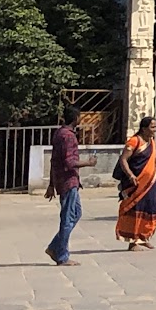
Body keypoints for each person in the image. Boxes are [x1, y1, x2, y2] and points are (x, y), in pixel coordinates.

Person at [44, 104, 94, 266]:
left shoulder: (59, 133)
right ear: (76, 118)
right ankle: (62, 255)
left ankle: (54, 246)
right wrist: (89, 162)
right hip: (68, 181)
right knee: (67, 218)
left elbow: (54, 161)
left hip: (65, 180)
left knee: (76, 213)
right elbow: (69, 162)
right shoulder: (68, 136)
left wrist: (51, 184)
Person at [116, 115, 156, 250]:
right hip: (136, 184)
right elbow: (123, 160)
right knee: (136, 210)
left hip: (151, 184)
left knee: (153, 208)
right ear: (144, 129)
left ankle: (144, 237)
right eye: (152, 127)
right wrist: (131, 175)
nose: (155, 130)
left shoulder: (151, 142)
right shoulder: (134, 141)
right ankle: (133, 241)